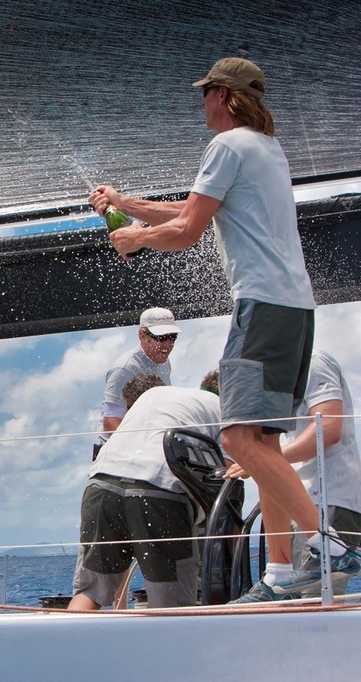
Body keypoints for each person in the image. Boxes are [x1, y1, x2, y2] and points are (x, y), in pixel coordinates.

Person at [89, 56, 357, 593]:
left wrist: (134, 238)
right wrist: (124, 205)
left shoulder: (227, 145)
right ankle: (283, 572)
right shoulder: (265, 150)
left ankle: (334, 546)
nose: (202, 103)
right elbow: (194, 208)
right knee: (262, 440)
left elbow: (188, 229)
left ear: (225, 96)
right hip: (291, 309)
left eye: (205, 93)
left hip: (260, 306)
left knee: (238, 437)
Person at [70, 371, 221, 610]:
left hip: (101, 484)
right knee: (171, 604)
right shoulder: (225, 408)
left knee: (91, 591)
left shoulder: (155, 395)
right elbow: (236, 469)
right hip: (159, 492)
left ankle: (69, 644)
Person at [231, 351, 361, 602]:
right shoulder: (272, 377)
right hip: (296, 500)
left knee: (314, 603)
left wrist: (260, 462)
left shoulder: (313, 361)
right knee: (292, 602)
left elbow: (328, 427)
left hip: (327, 496)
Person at [100, 307, 181, 437]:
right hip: (116, 448)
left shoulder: (164, 361)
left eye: (172, 337)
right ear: (142, 335)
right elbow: (110, 422)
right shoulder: (124, 368)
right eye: (161, 337)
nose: (167, 344)